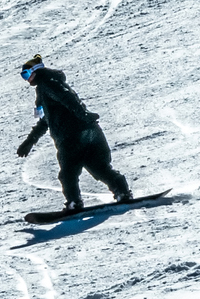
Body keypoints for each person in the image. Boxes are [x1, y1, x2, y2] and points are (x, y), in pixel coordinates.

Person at [14, 54, 130, 214]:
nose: (26, 79)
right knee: (99, 168)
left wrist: (84, 115)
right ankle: (122, 191)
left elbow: (68, 99)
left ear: (36, 71)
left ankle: (74, 203)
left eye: (26, 74)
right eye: (23, 76)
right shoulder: (46, 87)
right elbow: (45, 121)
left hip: (72, 136)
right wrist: (29, 141)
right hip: (90, 132)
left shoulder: (47, 84)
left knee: (68, 174)